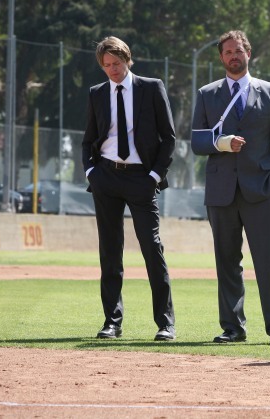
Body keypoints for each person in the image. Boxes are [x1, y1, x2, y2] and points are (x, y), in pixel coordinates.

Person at [192, 30, 270, 346]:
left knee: (267, 264)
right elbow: (196, 141)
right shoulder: (206, 94)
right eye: (227, 52)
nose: (233, 56)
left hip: (261, 190)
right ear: (221, 58)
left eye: (238, 51)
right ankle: (233, 328)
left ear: (248, 53)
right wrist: (222, 143)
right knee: (227, 263)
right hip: (221, 193)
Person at [82, 36, 176, 341]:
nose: (112, 70)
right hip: (105, 177)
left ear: (127, 59)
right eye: (106, 65)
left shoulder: (151, 88)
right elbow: (88, 139)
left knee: (152, 248)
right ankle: (112, 321)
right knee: (110, 251)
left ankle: (165, 324)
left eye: (117, 63)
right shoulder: (97, 93)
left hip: (141, 178)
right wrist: (91, 172)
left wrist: (153, 176)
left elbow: (169, 137)